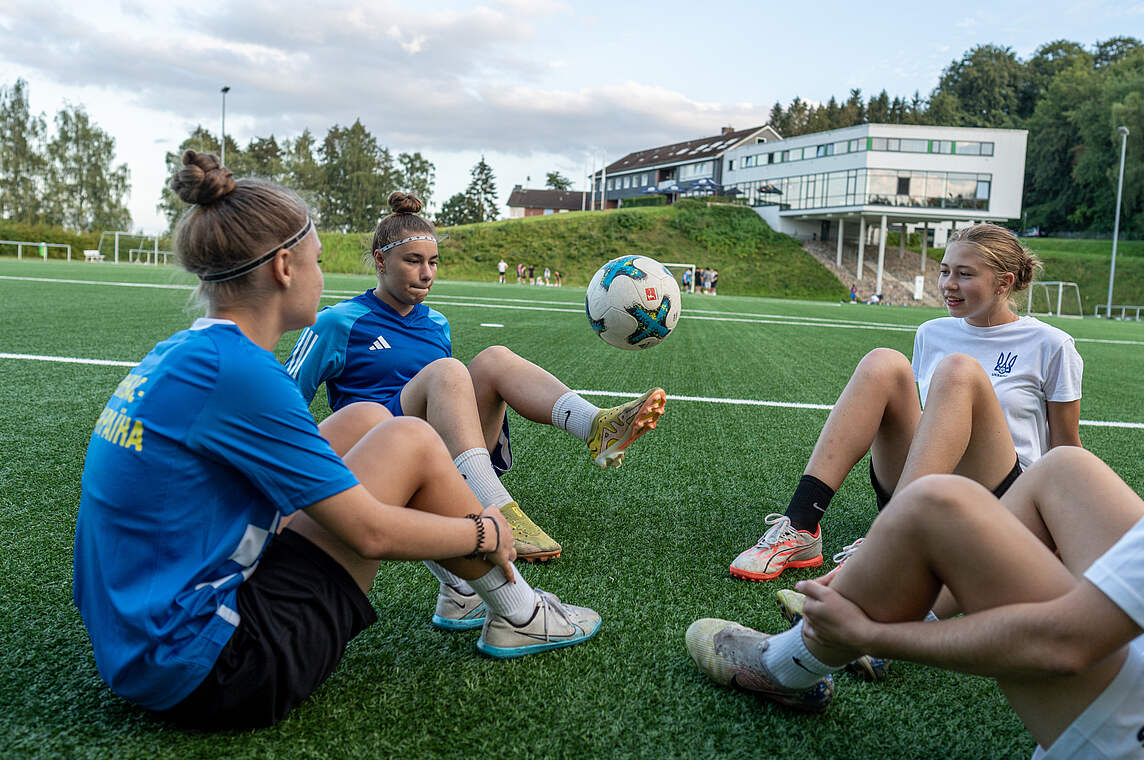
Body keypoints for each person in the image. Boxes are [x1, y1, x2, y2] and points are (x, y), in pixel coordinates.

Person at [687, 164, 1144, 759]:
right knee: (1066, 472)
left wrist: (875, 635)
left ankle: (790, 663)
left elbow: (1063, 647)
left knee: (938, 505)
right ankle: (858, 589)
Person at [73, 152, 600, 731]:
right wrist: (485, 531)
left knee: (365, 418)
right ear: (283, 268)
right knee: (414, 441)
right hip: (216, 671)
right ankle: (519, 612)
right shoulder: (246, 377)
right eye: (318, 261)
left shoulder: (185, 353)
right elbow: (369, 532)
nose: (324, 278)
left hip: (137, 644)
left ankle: (467, 592)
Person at [284, 193, 665, 622]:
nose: (427, 273)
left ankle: (595, 426)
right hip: (381, 457)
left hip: (441, 455)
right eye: (413, 261)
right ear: (380, 261)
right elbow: (284, 401)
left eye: (434, 261)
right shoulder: (339, 321)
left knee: (491, 359)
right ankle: (495, 506)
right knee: (447, 371)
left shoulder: (435, 324)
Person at [729, 222, 1082, 583]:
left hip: (1002, 501)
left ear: (1004, 282)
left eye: (964, 274)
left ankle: (889, 543)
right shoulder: (932, 332)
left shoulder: (1050, 344)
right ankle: (802, 525)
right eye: (944, 271)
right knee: (882, 362)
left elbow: (1067, 449)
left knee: (958, 371)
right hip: (926, 493)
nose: (948, 285)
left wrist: (1066, 534)